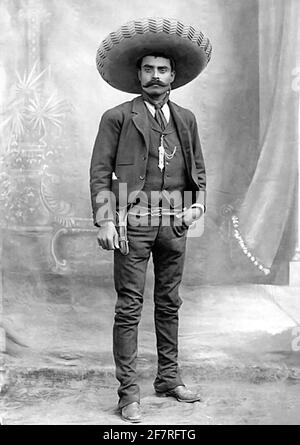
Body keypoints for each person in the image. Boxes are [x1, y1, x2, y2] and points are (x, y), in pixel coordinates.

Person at [90, 18, 212, 423]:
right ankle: (128, 395)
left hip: (175, 226)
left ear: (173, 75)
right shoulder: (117, 117)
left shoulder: (186, 119)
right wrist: (106, 220)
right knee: (128, 307)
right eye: (148, 69)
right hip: (132, 224)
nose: (155, 76)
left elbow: (198, 171)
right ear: (138, 74)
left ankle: (168, 377)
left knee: (169, 304)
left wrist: (198, 205)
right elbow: (99, 173)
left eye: (162, 69)